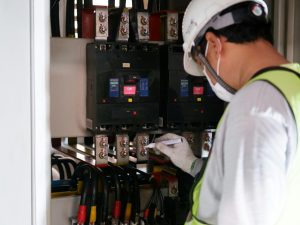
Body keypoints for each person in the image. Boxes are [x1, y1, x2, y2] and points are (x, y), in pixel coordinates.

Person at [154, 0, 300, 224]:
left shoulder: (254, 107)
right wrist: (192, 164)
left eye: (203, 64)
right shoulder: (291, 86)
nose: (208, 75)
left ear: (214, 44)